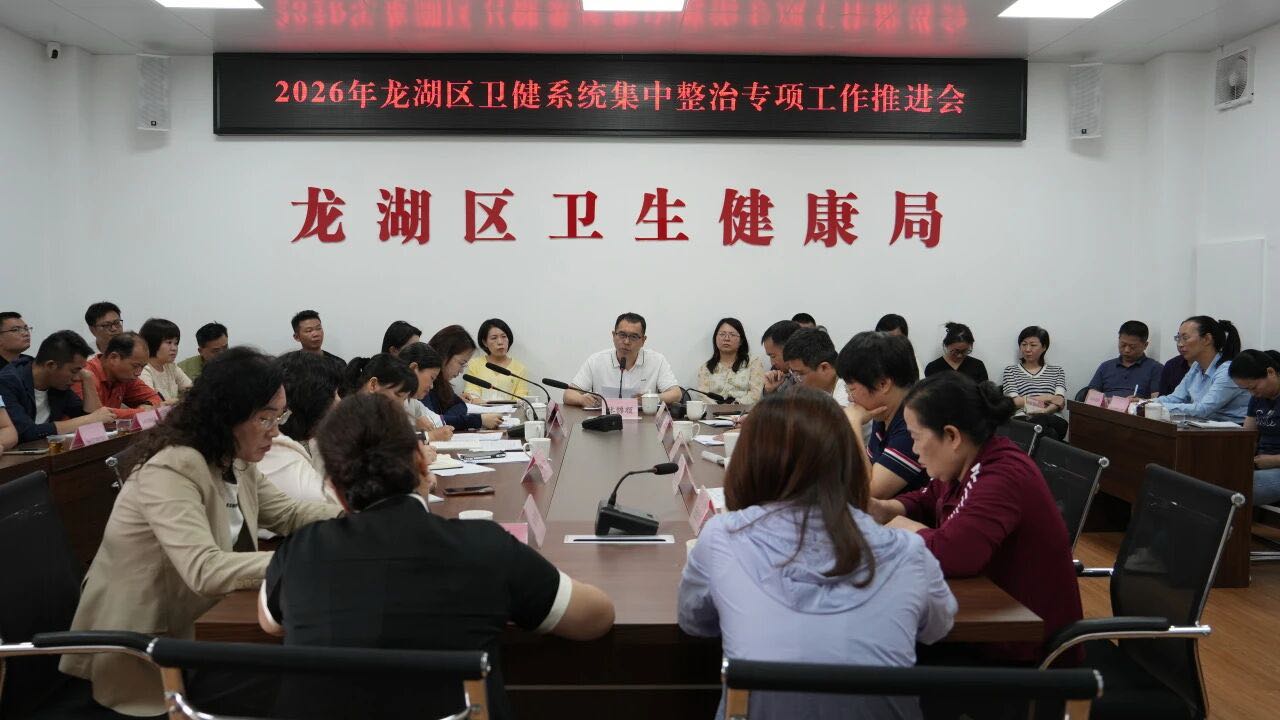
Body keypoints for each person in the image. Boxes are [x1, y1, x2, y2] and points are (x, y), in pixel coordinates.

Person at [259, 393, 616, 720]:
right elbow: (595, 618)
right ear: (421, 462)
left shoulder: (301, 550)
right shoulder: (484, 548)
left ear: (335, 490)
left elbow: (271, 623)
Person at [60, 347, 342, 716]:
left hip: (201, 625)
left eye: (280, 417)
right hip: (151, 649)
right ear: (227, 415)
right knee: (303, 682)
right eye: (265, 418)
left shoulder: (233, 456)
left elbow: (288, 513)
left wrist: (360, 521)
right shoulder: (172, 467)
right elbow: (204, 569)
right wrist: (308, 557)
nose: (276, 431)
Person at [678, 387, 956, 719]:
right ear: (850, 462)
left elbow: (694, 621)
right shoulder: (909, 553)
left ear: (749, 461)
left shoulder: (723, 537)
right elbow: (937, 628)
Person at [867, 372, 1083, 663]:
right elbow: (927, 498)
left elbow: (953, 555)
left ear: (952, 436)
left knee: (882, 650)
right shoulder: (967, 461)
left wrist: (901, 528)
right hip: (991, 621)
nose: (915, 450)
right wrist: (885, 509)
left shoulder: (1002, 475)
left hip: (1025, 650)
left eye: (916, 438)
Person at [838, 332, 929, 498]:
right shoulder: (883, 414)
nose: (850, 398)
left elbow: (868, 493)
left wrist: (852, 423)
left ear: (883, 384)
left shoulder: (913, 425)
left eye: (851, 389)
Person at [258, 351, 343, 505]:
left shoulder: (313, 441)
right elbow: (325, 502)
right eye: (335, 394)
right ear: (314, 403)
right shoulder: (276, 451)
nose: (340, 402)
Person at [0, 330, 112, 442]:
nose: (77, 378)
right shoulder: (7, 382)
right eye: (74, 371)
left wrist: (88, 378)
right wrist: (88, 420)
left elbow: (94, 420)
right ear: (51, 365)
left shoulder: (57, 384)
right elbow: (25, 432)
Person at [564, 313, 681, 407]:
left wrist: (651, 398)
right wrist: (581, 399)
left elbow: (676, 394)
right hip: (604, 425)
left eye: (633, 337)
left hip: (644, 424)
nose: (626, 342)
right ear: (613, 335)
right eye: (622, 335)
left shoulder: (657, 361)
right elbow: (568, 394)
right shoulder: (596, 361)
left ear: (643, 340)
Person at [1152, 316, 1249, 423]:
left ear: (1207, 339)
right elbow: (1176, 398)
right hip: (1204, 426)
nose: (1179, 344)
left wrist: (1154, 407)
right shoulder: (1196, 366)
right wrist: (1145, 403)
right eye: (1178, 338)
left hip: (1233, 429)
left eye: (1185, 338)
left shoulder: (1227, 371)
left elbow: (1203, 409)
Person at [426, 325, 504, 430]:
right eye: (461, 363)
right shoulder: (425, 384)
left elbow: (461, 406)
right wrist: (479, 420)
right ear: (445, 355)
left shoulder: (442, 383)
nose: (461, 371)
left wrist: (449, 416)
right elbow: (433, 422)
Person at [1229, 350, 1280, 506]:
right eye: (1247, 390)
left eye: (1254, 387)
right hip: (1260, 463)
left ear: (1270, 372)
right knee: (1213, 476)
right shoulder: (1257, 399)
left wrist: (1272, 460)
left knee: (1237, 488)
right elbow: (1248, 437)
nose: (1252, 393)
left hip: (1273, 465)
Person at [1000, 326, 1068, 439]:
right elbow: (1014, 402)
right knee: (1043, 433)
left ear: (1044, 347)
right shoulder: (1011, 371)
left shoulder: (1057, 371)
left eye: (1033, 345)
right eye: (1024, 344)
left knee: (1042, 422)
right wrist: (1048, 397)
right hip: (1022, 418)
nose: (1027, 349)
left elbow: (1059, 401)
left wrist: (1044, 411)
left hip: (1053, 418)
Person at [76, 332, 163, 420]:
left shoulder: (126, 378)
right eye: (135, 366)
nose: (138, 373)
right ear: (114, 358)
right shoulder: (83, 376)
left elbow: (156, 399)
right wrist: (142, 412)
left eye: (142, 367)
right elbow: (94, 417)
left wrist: (148, 405)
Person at [1086, 320, 1162, 399]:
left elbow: (1157, 400)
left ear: (1145, 345)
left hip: (1136, 406)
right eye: (1123, 345)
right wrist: (1108, 401)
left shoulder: (1155, 368)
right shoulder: (1106, 366)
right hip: (1107, 406)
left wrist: (1141, 401)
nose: (1127, 350)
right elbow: (1091, 395)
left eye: (1132, 347)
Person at [697, 317, 765, 405]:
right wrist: (719, 409)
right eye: (722, 334)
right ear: (715, 338)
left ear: (741, 341)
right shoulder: (706, 367)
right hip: (714, 412)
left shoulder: (753, 363)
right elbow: (703, 396)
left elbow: (755, 394)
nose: (726, 338)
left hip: (744, 411)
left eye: (732, 335)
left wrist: (734, 406)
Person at [463, 318, 530, 400]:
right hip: (480, 408)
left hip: (510, 409)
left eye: (504, 337)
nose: (500, 342)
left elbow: (521, 398)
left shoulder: (519, 368)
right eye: (494, 338)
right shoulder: (475, 364)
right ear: (485, 342)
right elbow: (471, 393)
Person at [399, 342, 454, 440]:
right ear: (413, 369)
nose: (432, 386)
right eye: (432, 378)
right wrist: (430, 436)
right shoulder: (387, 397)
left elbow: (437, 421)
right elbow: (389, 442)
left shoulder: (412, 400)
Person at [782, 327, 848, 406]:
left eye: (800, 374)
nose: (797, 382)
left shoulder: (846, 397)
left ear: (824, 368)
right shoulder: (828, 388)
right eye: (793, 373)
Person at [138, 317, 192, 403]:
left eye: (176, 343)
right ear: (153, 343)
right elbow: (153, 403)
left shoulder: (171, 366)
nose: (174, 348)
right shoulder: (143, 370)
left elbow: (193, 391)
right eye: (169, 342)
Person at [923, 322, 989, 383]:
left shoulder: (978, 365)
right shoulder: (933, 368)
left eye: (964, 351)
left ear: (970, 346)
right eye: (955, 351)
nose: (959, 355)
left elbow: (986, 391)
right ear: (946, 345)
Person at [340, 354, 417, 402]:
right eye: (398, 395)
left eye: (404, 400)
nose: (401, 406)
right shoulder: (345, 417)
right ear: (373, 385)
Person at [291, 310, 345, 376]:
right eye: (309, 331)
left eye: (318, 328)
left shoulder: (338, 363)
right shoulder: (289, 364)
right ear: (297, 337)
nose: (316, 334)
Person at [760, 320, 801, 395]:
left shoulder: (810, 377)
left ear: (790, 350)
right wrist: (769, 391)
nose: (772, 363)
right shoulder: (780, 375)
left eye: (773, 356)